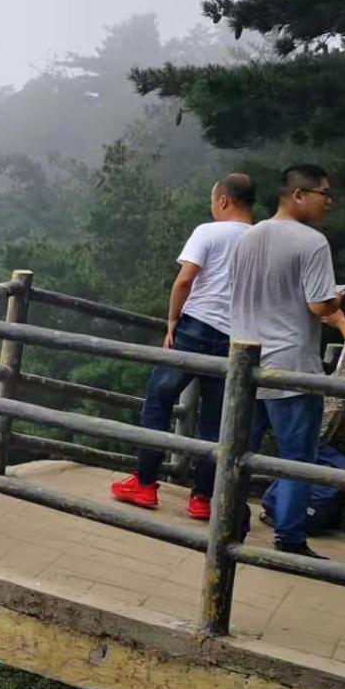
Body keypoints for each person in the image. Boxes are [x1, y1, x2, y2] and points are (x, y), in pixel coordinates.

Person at [110, 173, 257, 520]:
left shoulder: (208, 231)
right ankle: (202, 499)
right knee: (215, 421)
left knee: (159, 399)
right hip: (236, 339)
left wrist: (173, 320)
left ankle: (145, 483)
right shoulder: (261, 239)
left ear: (223, 201)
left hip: (196, 327)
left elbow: (185, 280)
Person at [228, 165, 342, 558]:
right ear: (298, 194)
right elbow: (319, 305)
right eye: (324, 193)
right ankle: (290, 539)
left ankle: (230, 526)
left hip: (245, 365)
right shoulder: (312, 242)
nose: (329, 201)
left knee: (237, 453)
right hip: (291, 366)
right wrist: (336, 299)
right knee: (297, 458)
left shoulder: (247, 237)